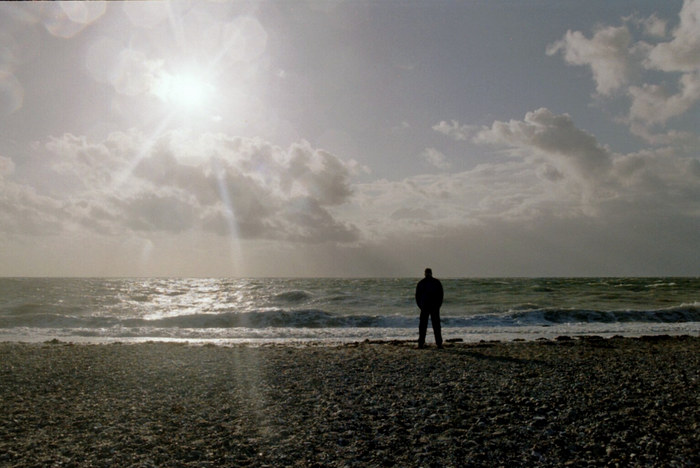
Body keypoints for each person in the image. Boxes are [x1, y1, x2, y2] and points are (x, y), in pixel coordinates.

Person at [415, 268, 443, 349]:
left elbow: (440, 295)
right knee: (429, 326)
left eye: (428, 273)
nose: (427, 274)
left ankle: (435, 343)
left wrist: (421, 305)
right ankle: (436, 343)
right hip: (429, 307)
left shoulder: (423, 283)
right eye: (427, 273)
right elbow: (417, 296)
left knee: (430, 326)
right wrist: (421, 306)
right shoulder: (433, 282)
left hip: (430, 306)